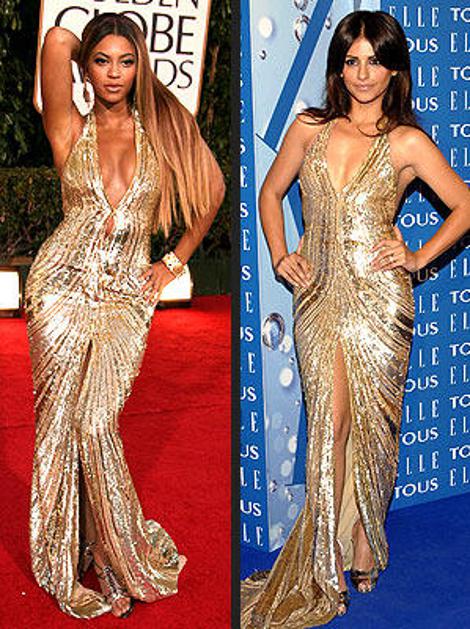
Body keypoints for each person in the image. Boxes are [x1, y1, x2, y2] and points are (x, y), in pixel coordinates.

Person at [241, 10, 470, 628]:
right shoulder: (309, 128)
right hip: (318, 295)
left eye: (375, 60)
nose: (363, 73)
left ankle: (364, 542)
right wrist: (281, 254)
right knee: (330, 425)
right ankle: (321, 561)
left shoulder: (406, 142)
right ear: (338, 68)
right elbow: (270, 193)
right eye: (351, 60)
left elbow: (465, 205)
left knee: (371, 425)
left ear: (394, 69)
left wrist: (417, 257)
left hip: (379, 298)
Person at [25, 13, 225, 619]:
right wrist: (91, 44)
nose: (114, 73)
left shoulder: (163, 132)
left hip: (124, 301)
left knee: (94, 421)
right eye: (102, 60)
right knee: (58, 428)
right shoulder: (67, 127)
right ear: (86, 68)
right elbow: (57, 40)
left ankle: (117, 554)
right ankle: (64, 564)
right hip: (59, 290)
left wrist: (173, 262)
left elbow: (214, 190)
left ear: (141, 67)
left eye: (126, 61)